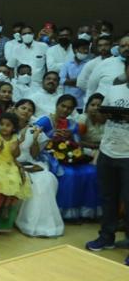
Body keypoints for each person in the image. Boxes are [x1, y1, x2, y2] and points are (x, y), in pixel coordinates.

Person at [85, 56, 129, 258]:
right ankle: (107, 236)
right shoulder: (114, 89)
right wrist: (104, 113)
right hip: (108, 150)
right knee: (107, 197)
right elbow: (103, 116)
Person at [36, 94, 101, 222]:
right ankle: (65, 213)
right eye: (63, 106)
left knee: (91, 172)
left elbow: (77, 144)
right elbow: (33, 137)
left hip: (70, 156)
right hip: (48, 155)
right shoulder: (45, 121)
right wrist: (51, 135)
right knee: (68, 174)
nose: (65, 110)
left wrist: (71, 136)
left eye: (69, 108)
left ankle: (85, 212)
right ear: (57, 105)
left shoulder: (72, 124)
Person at [12, 99, 64, 238]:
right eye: (23, 108)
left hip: (30, 162)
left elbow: (34, 154)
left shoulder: (34, 129)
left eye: (30, 110)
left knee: (46, 179)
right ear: (15, 109)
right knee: (31, 182)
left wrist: (34, 139)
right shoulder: (6, 125)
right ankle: (27, 222)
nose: (26, 111)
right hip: (11, 162)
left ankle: (45, 225)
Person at [0, 112, 32, 235]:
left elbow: (16, 155)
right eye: (2, 124)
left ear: (14, 128)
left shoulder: (15, 138)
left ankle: (6, 206)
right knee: (1, 180)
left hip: (9, 163)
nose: (4, 127)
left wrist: (17, 146)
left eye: (8, 125)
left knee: (17, 179)